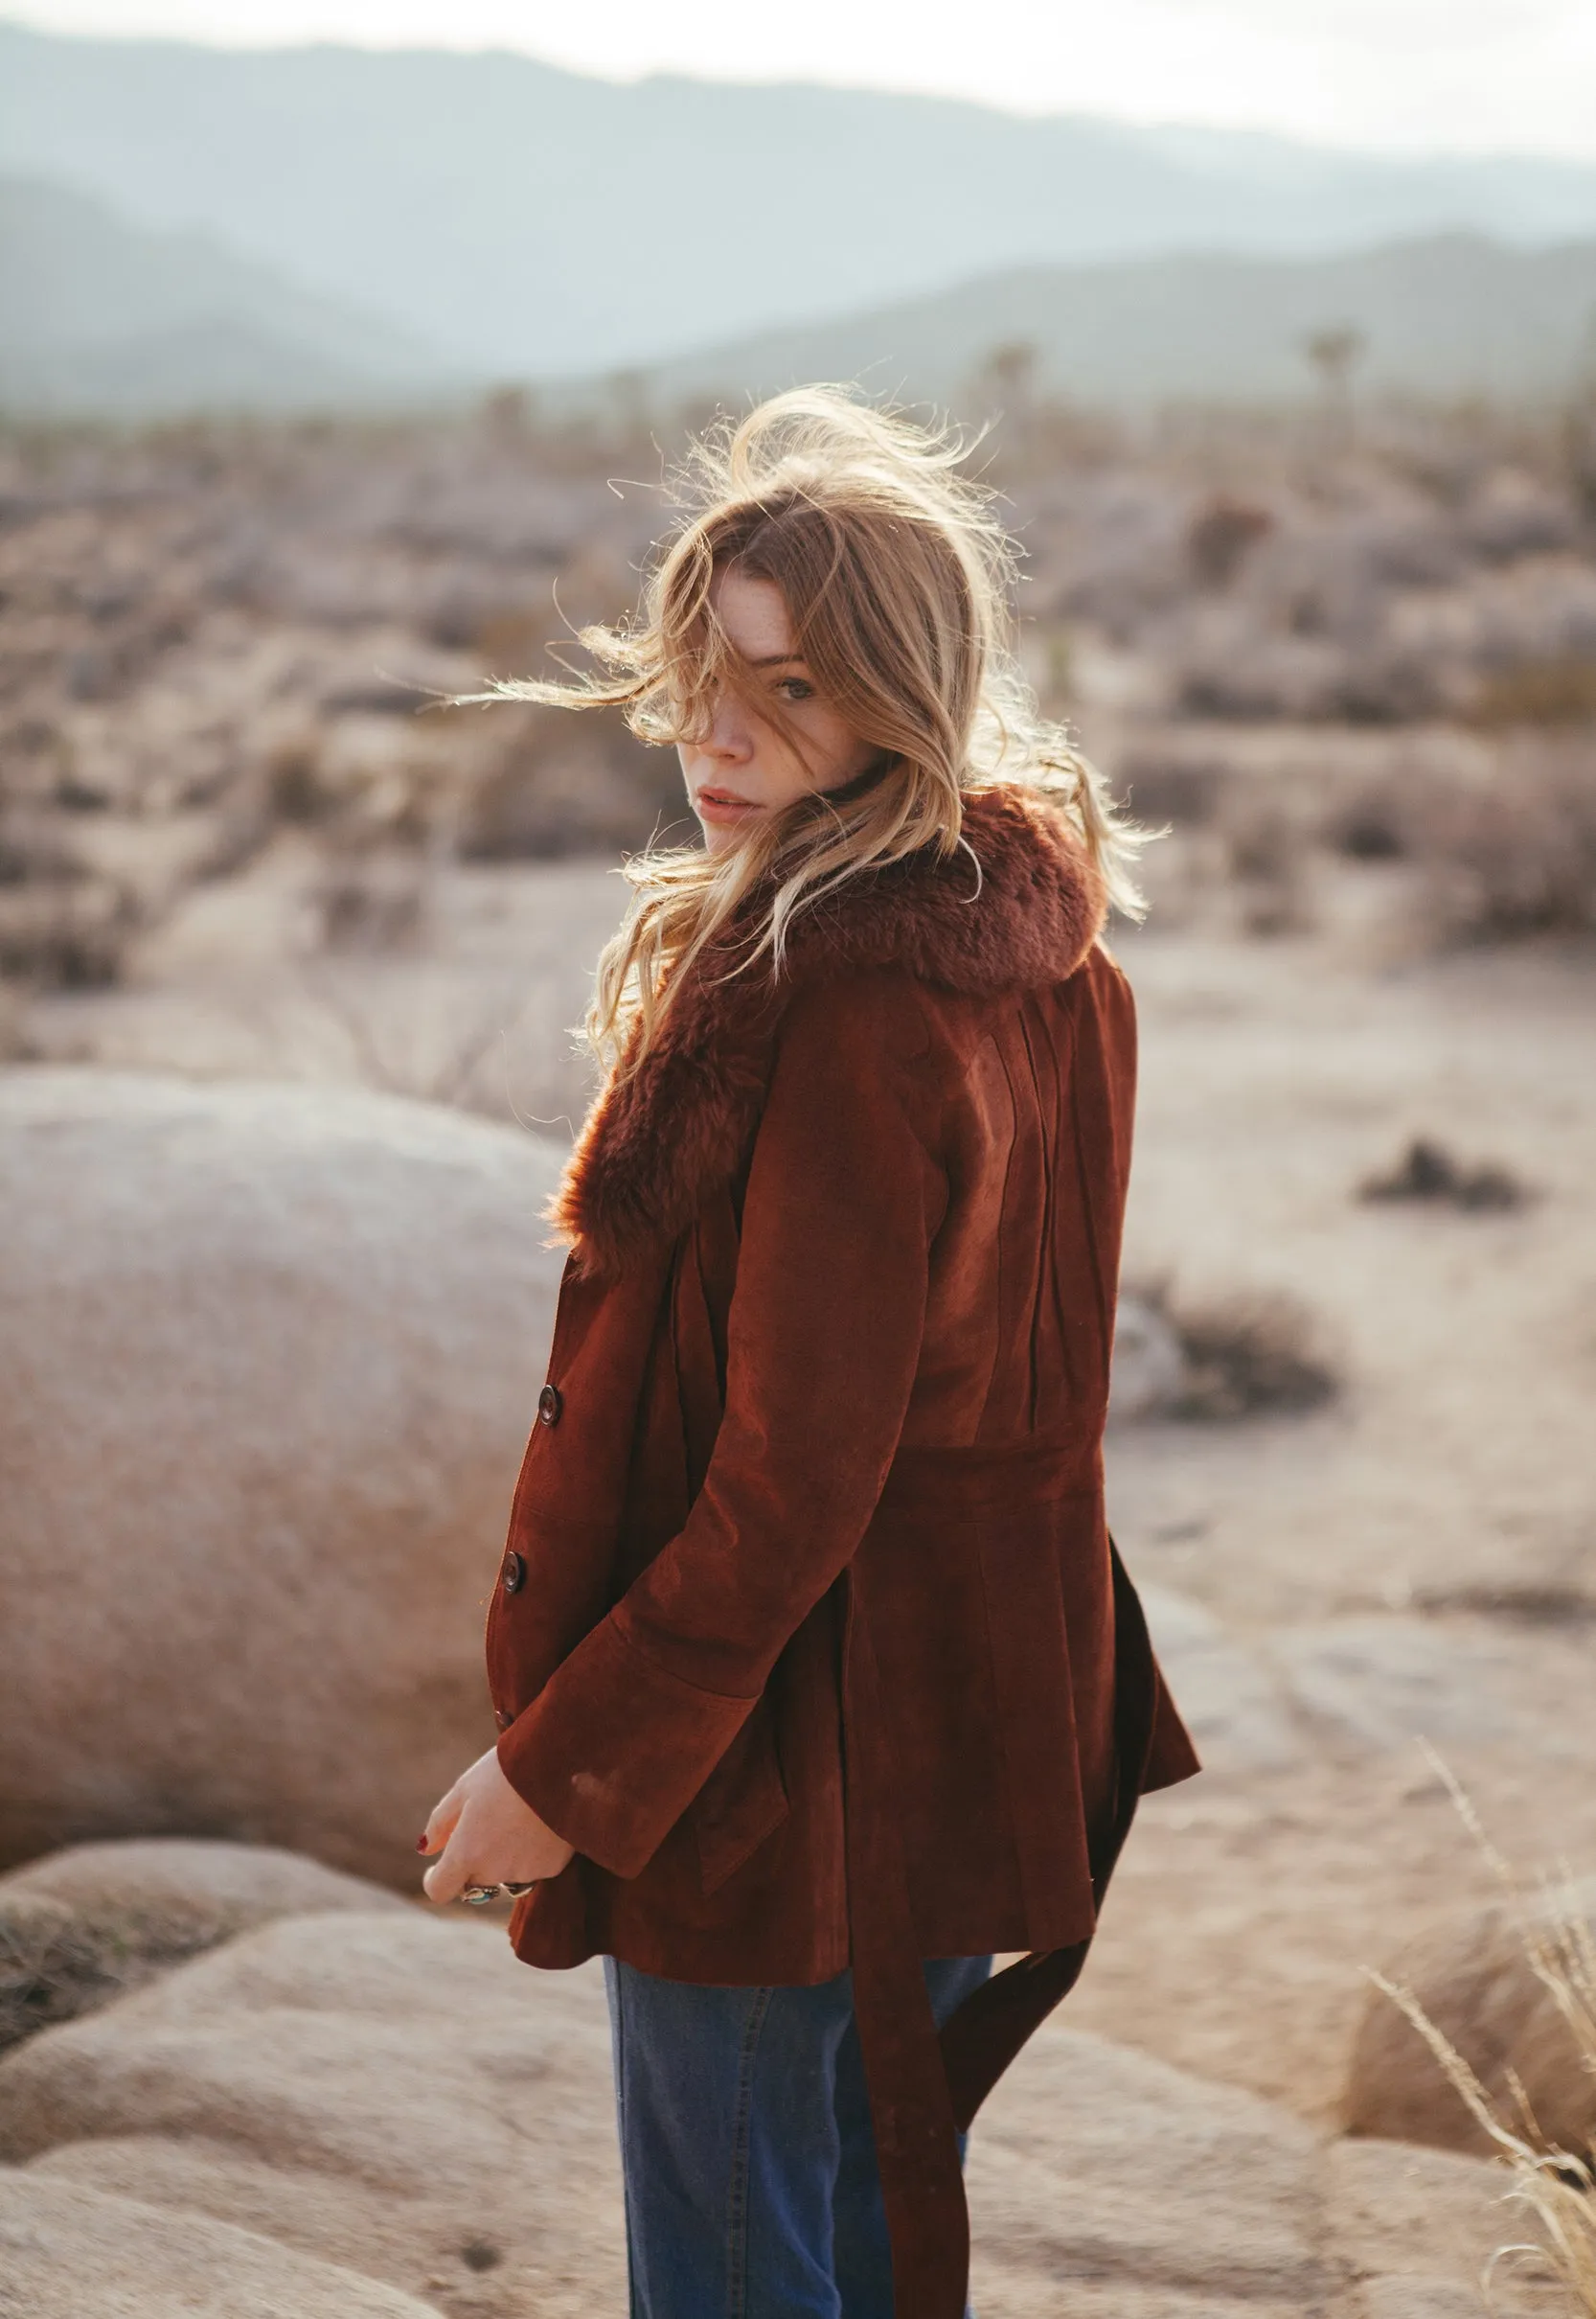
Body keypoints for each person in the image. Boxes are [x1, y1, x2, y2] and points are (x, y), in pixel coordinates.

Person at [419, 387, 1199, 2319]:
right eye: (694, 678)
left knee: (733, 2264)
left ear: (900, 687)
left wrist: (565, 1767)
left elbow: (791, 1480)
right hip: (975, 1718)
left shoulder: (830, 1000)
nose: (711, 735)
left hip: (782, 1769)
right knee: (847, 2220)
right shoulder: (1053, 964)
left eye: (780, 687)